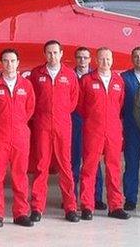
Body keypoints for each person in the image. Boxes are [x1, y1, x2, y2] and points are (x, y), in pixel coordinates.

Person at [28, 40, 79, 223]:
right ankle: (37, 207)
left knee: (65, 166)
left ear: (61, 53)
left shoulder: (70, 75)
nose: (52, 56)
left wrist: (61, 113)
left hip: (63, 125)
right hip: (42, 125)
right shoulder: (36, 74)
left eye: (55, 52)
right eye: (49, 53)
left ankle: (70, 207)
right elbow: (30, 98)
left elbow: (73, 100)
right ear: (45, 55)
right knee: (41, 166)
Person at [0, 49, 35, 228]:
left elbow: (30, 109)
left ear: (18, 63)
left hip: (20, 135)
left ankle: (20, 213)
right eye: (5, 61)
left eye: (12, 61)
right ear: (0, 64)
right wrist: (0, 124)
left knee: (20, 175)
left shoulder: (26, 85)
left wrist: (18, 124)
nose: (9, 64)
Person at [77, 48, 129, 220]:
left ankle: (115, 206)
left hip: (113, 129)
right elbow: (80, 105)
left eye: (108, 59)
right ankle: (87, 206)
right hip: (93, 129)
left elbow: (120, 104)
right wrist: (94, 118)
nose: (105, 62)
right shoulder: (86, 80)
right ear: (96, 61)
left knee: (114, 169)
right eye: (102, 59)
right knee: (89, 168)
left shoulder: (118, 81)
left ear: (112, 61)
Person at [71, 47, 105, 209]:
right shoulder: (69, 76)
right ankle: (70, 198)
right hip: (74, 121)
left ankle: (96, 197)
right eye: (79, 58)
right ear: (75, 59)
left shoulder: (96, 77)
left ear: (91, 59)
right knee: (73, 161)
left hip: (93, 123)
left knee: (93, 162)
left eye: (85, 58)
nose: (82, 61)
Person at [121, 46, 140, 211]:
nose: (139, 59)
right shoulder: (124, 78)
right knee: (131, 164)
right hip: (131, 128)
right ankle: (130, 198)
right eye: (135, 56)